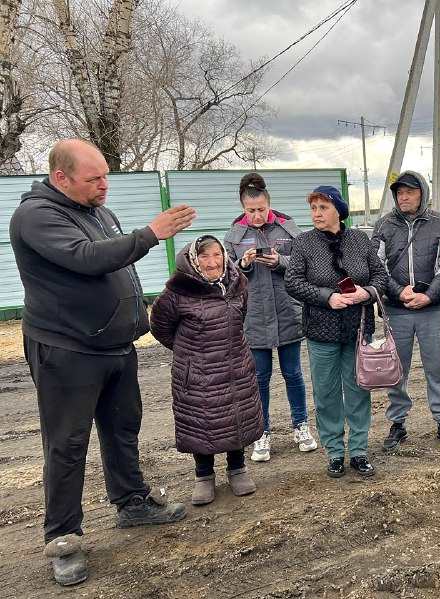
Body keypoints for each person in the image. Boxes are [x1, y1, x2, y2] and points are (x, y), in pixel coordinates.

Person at [8, 139, 192, 586]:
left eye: (106, 175)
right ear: (60, 178)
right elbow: (87, 260)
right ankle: (64, 538)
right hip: (68, 349)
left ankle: (132, 503)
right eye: (94, 179)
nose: (104, 185)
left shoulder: (97, 210)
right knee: (68, 444)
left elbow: (116, 264)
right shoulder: (37, 215)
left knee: (122, 427)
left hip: (115, 345)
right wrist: (150, 234)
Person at [150, 235, 263, 506]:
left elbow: (240, 317)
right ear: (193, 260)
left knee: (235, 414)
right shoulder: (177, 293)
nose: (212, 262)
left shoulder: (238, 284)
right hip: (196, 371)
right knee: (200, 421)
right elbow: (161, 328)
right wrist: (189, 354)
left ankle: (237, 468)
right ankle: (204, 475)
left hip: (235, 364)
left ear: (225, 255)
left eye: (217, 255)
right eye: (204, 256)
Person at [285, 186, 387, 478]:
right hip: (321, 330)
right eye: (313, 208)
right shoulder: (304, 243)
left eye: (323, 208)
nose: (317, 214)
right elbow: (292, 282)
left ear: (339, 212)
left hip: (358, 329)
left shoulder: (359, 239)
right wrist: (326, 296)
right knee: (327, 393)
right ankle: (333, 452)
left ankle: (358, 451)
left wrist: (365, 292)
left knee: (358, 389)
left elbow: (380, 276)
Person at [224, 172, 317, 463]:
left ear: (269, 204)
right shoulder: (233, 236)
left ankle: (301, 425)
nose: (257, 215)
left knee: (293, 374)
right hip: (254, 319)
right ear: (242, 207)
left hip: (288, 312)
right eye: (251, 210)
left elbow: (307, 263)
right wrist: (244, 265)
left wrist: (281, 262)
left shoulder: (289, 228)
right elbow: (227, 277)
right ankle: (261, 433)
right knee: (259, 378)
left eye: (261, 209)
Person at [371, 170, 440, 452]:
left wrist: (428, 295)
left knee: (437, 368)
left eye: (409, 191)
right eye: (399, 192)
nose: (403, 196)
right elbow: (377, 267)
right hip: (396, 311)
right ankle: (397, 423)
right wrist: (399, 292)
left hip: (431, 310)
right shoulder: (384, 225)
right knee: (397, 370)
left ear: (422, 193)